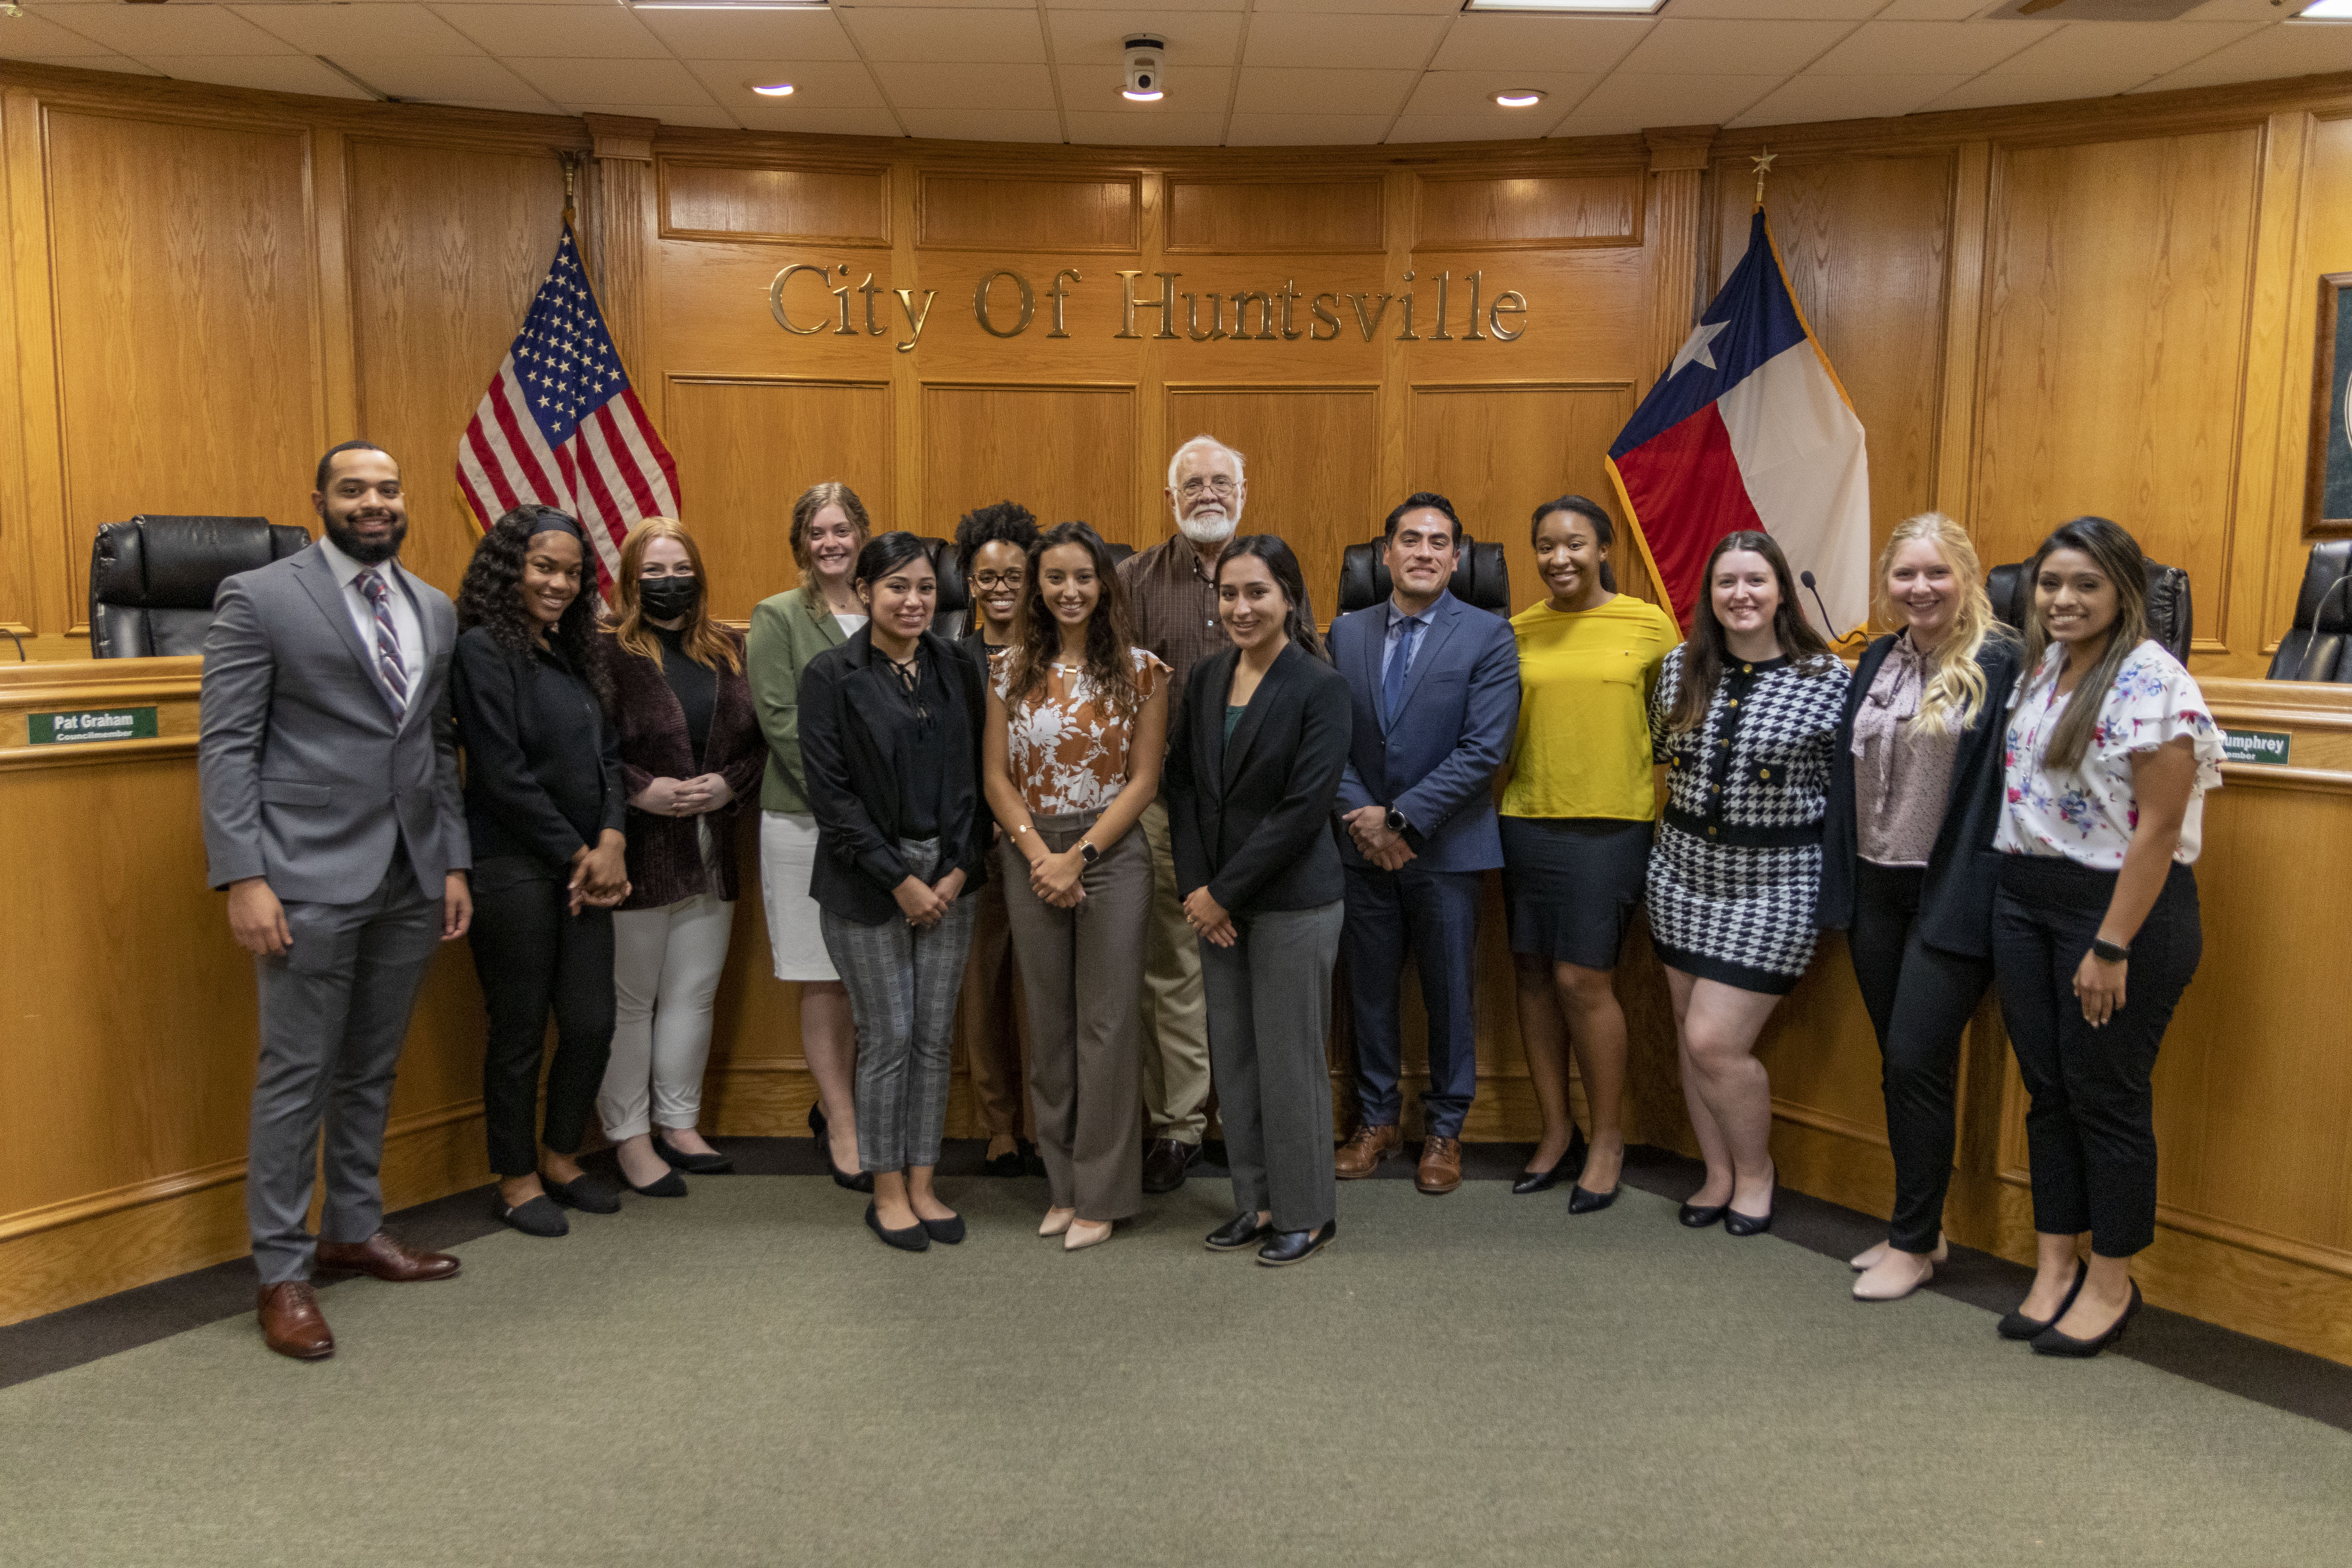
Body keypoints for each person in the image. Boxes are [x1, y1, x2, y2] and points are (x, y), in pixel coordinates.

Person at [199, 440, 470, 1360]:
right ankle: (282, 1269)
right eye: (353, 489)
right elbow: (229, 746)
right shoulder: (262, 596)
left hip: (408, 874)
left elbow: (435, 746)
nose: (373, 503)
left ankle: (354, 1227)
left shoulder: (433, 605)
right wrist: (244, 873)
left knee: (371, 1065)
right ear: (317, 498)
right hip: (305, 874)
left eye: (388, 489)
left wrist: (453, 863)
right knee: (295, 1075)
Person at [1990, 516, 2219, 1357]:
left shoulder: (2153, 680)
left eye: (2085, 584)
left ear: (2125, 591)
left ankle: (2112, 1279)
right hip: (2025, 897)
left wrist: (2112, 944)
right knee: (2048, 1088)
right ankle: (2055, 1265)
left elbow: (2157, 828)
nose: (2062, 598)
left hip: (2119, 913)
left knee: (2106, 1095)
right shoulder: (2045, 664)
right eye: (2050, 582)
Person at [1818, 514, 2022, 1302]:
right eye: (1905, 574)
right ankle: (1921, 1226)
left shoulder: (2001, 661)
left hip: (1953, 891)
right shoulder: (1878, 655)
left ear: (1968, 576)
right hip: (1876, 884)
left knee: (1914, 1060)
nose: (1920, 587)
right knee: (1902, 1070)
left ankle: (1913, 1239)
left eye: (1936, 572)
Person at [1647, 530, 1849, 1237]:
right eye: (1726, 583)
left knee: (1713, 1042)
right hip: (1679, 876)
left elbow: (1842, 799)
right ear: (1709, 597)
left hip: (1776, 886)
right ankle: (1718, 1172)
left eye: (1756, 582)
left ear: (1781, 594)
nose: (1741, 595)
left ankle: (1757, 1173)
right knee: (1685, 1033)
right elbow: (1665, 758)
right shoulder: (1678, 668)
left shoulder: (1827, 681)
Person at [799, 532, 992, 1252]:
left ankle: (923, 1180)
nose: (913, 602)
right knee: (891, 1037)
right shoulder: (831, 676)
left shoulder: (958, 668)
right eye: (896, 588)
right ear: (864, 593)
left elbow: (980, 781)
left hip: (951, 879)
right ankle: (886, 1190)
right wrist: (902, 881)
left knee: (936, 1039)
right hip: (867, 884)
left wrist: (953, 873)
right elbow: (834, 800)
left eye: (923, 589)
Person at [1166, 535, 1351, 1267]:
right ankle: (1258, 1201)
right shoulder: (1208, 679)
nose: (1241, 608)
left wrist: (1222, 893)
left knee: (1289, 1060)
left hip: (1292, 903)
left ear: (1290, 599)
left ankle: (1307, 1213)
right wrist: (1194, 889)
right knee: (1236, 1060)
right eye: (1229, 594)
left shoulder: (1319, 686)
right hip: (1215, 903)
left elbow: (1304, 811)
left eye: (1257, 593)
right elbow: (1182, 787)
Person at [984, 522, 1169, 1250]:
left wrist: (1078, 856)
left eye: (1083, 577)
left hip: (1111, 852)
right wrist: (1039, 853)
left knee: (1107, 1026)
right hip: (1030, 850)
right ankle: (1062, 1186)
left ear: (1105, 586)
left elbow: (1145, 780)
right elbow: (997, 778)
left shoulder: (1143, 670)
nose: (1070, 591)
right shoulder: (1006, 669)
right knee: (1051, 1027)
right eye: (1055, 578)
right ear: (1038, 587)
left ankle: (1103, 1193)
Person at [1329, 493, 1519, 1195]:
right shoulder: (1344, 635)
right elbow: (1330, 744)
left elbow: (1484, 749)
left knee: (1450, 996)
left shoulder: (1488, 635)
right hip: (1360, 850)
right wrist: (1365, 821)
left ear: (1458, 558)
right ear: (1384, 555)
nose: (1424, 552)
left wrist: (1400, 823)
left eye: (1439, 543)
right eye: (1410, 539)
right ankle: (1377, 1121)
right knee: (1369, 992)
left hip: (1447, 850)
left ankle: (1446, 1130)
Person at [453, 505, 632, 1237]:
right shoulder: (481, 651)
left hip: (588, 866)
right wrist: (579, 852)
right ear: (509, 570)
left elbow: (609, 756)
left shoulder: (577, 650)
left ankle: (562, 1155)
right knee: (521, 1027)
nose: (559, 583)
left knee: (591, 1022)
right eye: (543, 567)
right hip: (513, 867)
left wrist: (614, 837)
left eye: (571, 571)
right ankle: (517, 1175)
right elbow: (500, 772)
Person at [1498, 495, 1677, 1209]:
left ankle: (1608, 1140)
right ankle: (1554, 1132)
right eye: (1545, 546)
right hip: (1527, 817)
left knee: (1583, 981)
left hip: (1611, 824)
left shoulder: (1648, 623)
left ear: (1605, 549)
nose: (1559, 558)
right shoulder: (1517, 631)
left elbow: (1673, 724)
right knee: (1535, 976)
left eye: (1574, 544)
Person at [595, 519, 766, 1192]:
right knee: (631, 999)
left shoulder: (729, 649)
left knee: (693, 994)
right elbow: (587, 749)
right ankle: (631, 1137)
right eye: (655, 571)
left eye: (680, 569)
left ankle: (680, 1123)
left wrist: (730, 785)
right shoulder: (603, 650)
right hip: (634, 850)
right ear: (632, 579)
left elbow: (760, 745)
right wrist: (641, 793)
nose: (670, 582)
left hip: (713, 843)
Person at [1115, 434, 1240, 1192]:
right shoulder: (1132, 580)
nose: (1207, 493)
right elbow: (1110, 689)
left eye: (1220, 481)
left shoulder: (1269, 571)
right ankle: (1182, 1126)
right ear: (1170, 499)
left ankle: (1248, 1116)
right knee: (1173, 965)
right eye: (1191, 483)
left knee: (1257, 959)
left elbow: (1314, 670)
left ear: (1241, 490)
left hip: (1256, 812)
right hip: (1163, 802)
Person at [748, 482, 874, 1192]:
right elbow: (781, 725)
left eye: (841, 530)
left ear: (862, 534)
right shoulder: (778, 617)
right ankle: (843, 1124)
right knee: (822, 976)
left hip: (876, 828)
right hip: (802, 821)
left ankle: (846, 1107)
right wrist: (851, 804)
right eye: (817, 533)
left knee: (867, 975)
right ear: (801, 543)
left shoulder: (891, 605)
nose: (830, 543)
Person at [954, 500, 1044, 1178]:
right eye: (987, 578)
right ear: (969, 582)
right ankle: (1001, 1127)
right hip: (976, 847)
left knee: (1041, 990)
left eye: (1014, 575)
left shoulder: (1055, 654)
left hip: (1047, 846)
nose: (1000, 588)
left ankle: (1046, 1125)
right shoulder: (953, 660)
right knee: (981, 992)